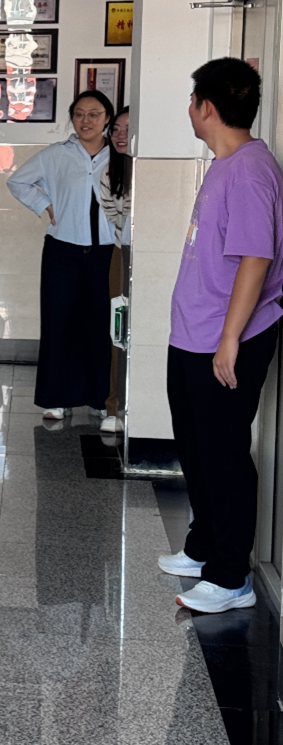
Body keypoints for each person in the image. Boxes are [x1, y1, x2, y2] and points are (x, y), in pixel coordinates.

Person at [159, 58, 283, 613]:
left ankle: (232, 577)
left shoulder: (252, 170)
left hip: (224, 339)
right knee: (196, 446)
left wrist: (230, 339)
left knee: (224, 453)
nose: (189, 109)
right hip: (195, 333)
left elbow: (257, 258)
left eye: (192, 100)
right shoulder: (225, 164)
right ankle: (203, 546)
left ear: (206, 107)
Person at [7, 90, 116, 421]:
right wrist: (44, 204)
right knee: (59, 322)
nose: (86, 121)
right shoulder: (56, 154)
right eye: (79, 114)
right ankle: (57, 398)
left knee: (101, 323)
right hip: (63, 249)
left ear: (107, 119)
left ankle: (101, 398)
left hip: (107, 251)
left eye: (94, 114)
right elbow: (17, 181)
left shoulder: (119, 156)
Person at [99, 106, 131, 433]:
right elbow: (116, 219)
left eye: (128, 129)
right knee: (118, 329)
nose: (121, 136)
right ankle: (114, 406)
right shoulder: (108, 174)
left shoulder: (154, 169)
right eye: (116, 130)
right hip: (122, 253)